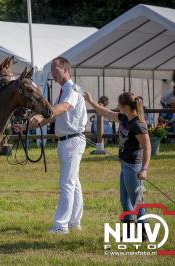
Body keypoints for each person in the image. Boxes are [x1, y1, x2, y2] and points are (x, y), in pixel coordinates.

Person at [13, 56, 87, 234]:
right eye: (52, 69)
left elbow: (62, 108)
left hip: (72, 140)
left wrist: (42, 115)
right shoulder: (63, 90)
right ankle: (74, 222)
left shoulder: (71, 90)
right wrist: (26, 127)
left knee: (67, 184)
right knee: (73, 183)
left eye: (56, 69)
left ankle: (61, 226)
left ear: (65, 70)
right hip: (67, 140)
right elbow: (51, 116)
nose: (52, 73)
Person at [84, 91, 151, 240]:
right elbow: (106, 113)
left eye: (119, 104)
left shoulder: (137, 125)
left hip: (134, 167)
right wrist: (91, 101)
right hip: (124, 165)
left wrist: (144, 169)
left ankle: (144, 234)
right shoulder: (124, 118)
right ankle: (128, 233)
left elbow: (147, 147)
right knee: (124, 200)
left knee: (137, 200)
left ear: (125, 106)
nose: (117, 106)